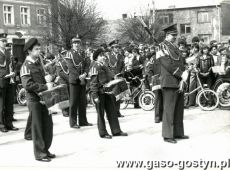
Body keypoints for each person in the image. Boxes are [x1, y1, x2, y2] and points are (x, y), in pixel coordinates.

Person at [20, 38, 55, 162]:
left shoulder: (38, 63)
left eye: (39, 49)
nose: (39, 51)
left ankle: (45, 149)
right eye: (36, 49)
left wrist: (48, 79)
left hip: (45, 98)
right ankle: (40, 153)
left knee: (48, 125)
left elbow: (43, 78)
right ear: (29, 51)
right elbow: (28, 85)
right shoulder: (26, 66)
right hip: (34, 100)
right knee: (38, 127)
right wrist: (46, 86)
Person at [157, 30, 189, 144]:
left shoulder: (173, 47)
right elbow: (167, 64)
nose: (175, 37)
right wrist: (181, 74)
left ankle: (178, 132)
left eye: (176, 35)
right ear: (167, 35)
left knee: (179, 108)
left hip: (178, 81)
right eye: (172, 35)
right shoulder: (161, 47)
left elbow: (180, 61)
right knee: (169, 108)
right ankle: (167, 135)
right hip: (170, 81)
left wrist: (186, 68)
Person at [89, 48, 128, 139]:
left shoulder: (103, 65)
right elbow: (93, 83)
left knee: (112, 111)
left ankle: (116, 131)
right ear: (96, 57)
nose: (104, 57)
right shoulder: (95, 66)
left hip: (107, 91)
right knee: (101, 114)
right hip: (99, 92)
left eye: (104, 55)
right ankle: (103, 133)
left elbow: (109, 77)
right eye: (101, 56)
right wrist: (95, 96)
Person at [65, 35, 92, 128]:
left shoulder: (83, 53)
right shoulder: (69, 53)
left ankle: (83, 121)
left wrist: (85, 73)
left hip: (82, 79)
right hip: (74, 80)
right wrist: (79, 76)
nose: (76, 45)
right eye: (75, 43)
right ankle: (73, 123)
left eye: (78, 43)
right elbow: (70, 67)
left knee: (82, 101)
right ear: (72, 44)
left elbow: (87, 64)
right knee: (73, 102)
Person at [0, 33, 18, 133]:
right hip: (1, 81)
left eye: (5, 41)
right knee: (1, 105)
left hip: (10, 82)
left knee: (10, 104)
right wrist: (5, 75)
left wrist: (14, 73)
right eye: (2, 41)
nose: (4, 42)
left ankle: (9, 123)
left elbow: (13, 66)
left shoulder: (8, 53)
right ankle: (1, 124)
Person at [107, 41, 125, 117]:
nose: (117, 49)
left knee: (119, 95)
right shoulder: (108, 56)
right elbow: (107, 68)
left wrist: (121, 73)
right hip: (112, 78)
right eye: (115, 47)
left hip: (119, 77)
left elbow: (123, 66)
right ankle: (111, 112)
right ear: (112, 48)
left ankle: (117, 111)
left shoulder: (121, 56)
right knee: (112, 95)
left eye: (118, 47)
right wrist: (113, 75)